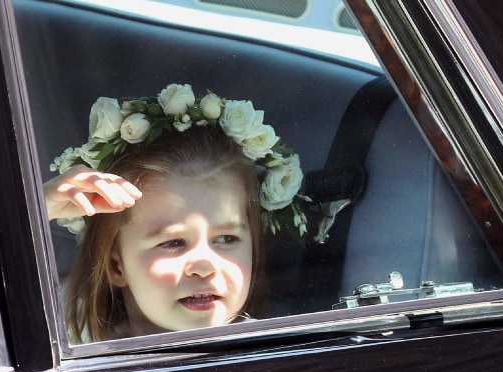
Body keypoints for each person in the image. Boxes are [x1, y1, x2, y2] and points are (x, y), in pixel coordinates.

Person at [44, 83, 308, 343]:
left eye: (227, 239)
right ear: (116, 265)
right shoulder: (66, 346)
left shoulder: (272, 352)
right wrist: (41, 206)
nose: (204, 267)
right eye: (172, 243)